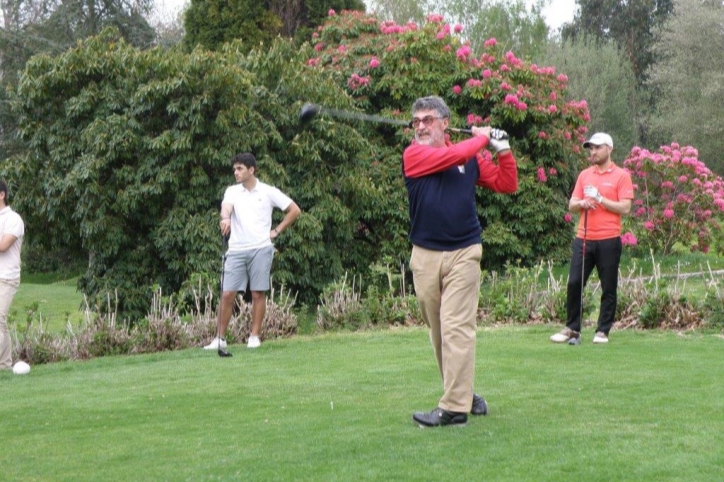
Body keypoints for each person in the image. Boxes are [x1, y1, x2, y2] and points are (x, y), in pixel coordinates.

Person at [403, 96, 518, 427]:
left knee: (457, 327)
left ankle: (454, 408)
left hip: (465, 251)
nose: (421, 126)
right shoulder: (415, 154)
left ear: (444, 122)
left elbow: (506, 183)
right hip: (424, 255)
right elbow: (452, 155)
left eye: (428, 120)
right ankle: (462, 394)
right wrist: (482, 138)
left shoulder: (470, 158)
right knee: (439, 332)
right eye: (416, 121)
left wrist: (503, 149)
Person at [204, 153, 300, 350]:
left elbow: (294, 210)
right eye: (234, 170)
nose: (236, 173)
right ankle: (220, 338)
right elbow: (226, 208)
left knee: (257, 293)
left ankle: (254, 336)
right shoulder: (232, 191)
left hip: (261, 248)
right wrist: (225, 218)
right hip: (237, 249)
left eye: (239, 169)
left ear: (251, 170)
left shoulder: (268, 191)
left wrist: (277, 230)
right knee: (227, 293)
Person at [550, 132, 633, 345]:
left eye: (597, 147)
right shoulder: (585, 175)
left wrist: (600, 198)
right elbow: (572, 204)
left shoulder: (621, 176)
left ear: (609, 149)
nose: (593, 152)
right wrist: (582, 204)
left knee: (608, 286)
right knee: (575, 282)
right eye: (591, 148)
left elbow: (625, 207)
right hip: (584, 238)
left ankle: (602, 331)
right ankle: (572, 328)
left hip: (609, 239)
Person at [0, 180, 25, 370]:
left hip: (6, 277)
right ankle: (5, 364)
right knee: (1, 323)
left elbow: (3, 245)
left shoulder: (13, 219)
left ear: (2, 195)